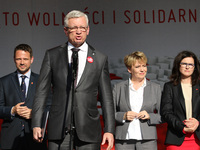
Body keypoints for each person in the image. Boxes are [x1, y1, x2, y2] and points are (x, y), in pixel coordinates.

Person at [32, 10, 115, 150]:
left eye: (82, 28)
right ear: (65, 30)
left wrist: (109, 129)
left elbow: (107, 98)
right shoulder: (52, 55)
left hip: (88, 130)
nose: (78, 32)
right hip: (59, 129)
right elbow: (41, 92)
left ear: (88, 30)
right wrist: (36, 123)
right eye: (74, 28)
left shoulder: (100, 58)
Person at [0, 44, 48, 150]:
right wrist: (12, 110)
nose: (22, 62)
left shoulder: (42, 81)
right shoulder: (3, 82)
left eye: (25, 59)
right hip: (10, 138)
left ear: (31, 59)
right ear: (14, 60)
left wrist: (34, 114)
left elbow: (50, 107)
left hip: (34, 136)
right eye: (18, 59)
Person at [113, 51, 162, 150]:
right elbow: (110, 113)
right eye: (137, 67)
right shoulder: (118, 88)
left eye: (144, 66)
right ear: (129, 69)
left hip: (148, 140)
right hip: (123, 140)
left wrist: (150, 116)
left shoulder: (156, 88)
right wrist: (123, 116)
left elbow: (164, 115)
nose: (142, 69)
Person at [161, 50, 200, 150]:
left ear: (194, 67)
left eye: (191, 64)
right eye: (184, 63)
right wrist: (182, 127)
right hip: (176, 138)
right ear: (178, 65)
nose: (187, 67)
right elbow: (166, 112)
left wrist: (197, 122)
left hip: (197, 138)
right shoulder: (169, 86)